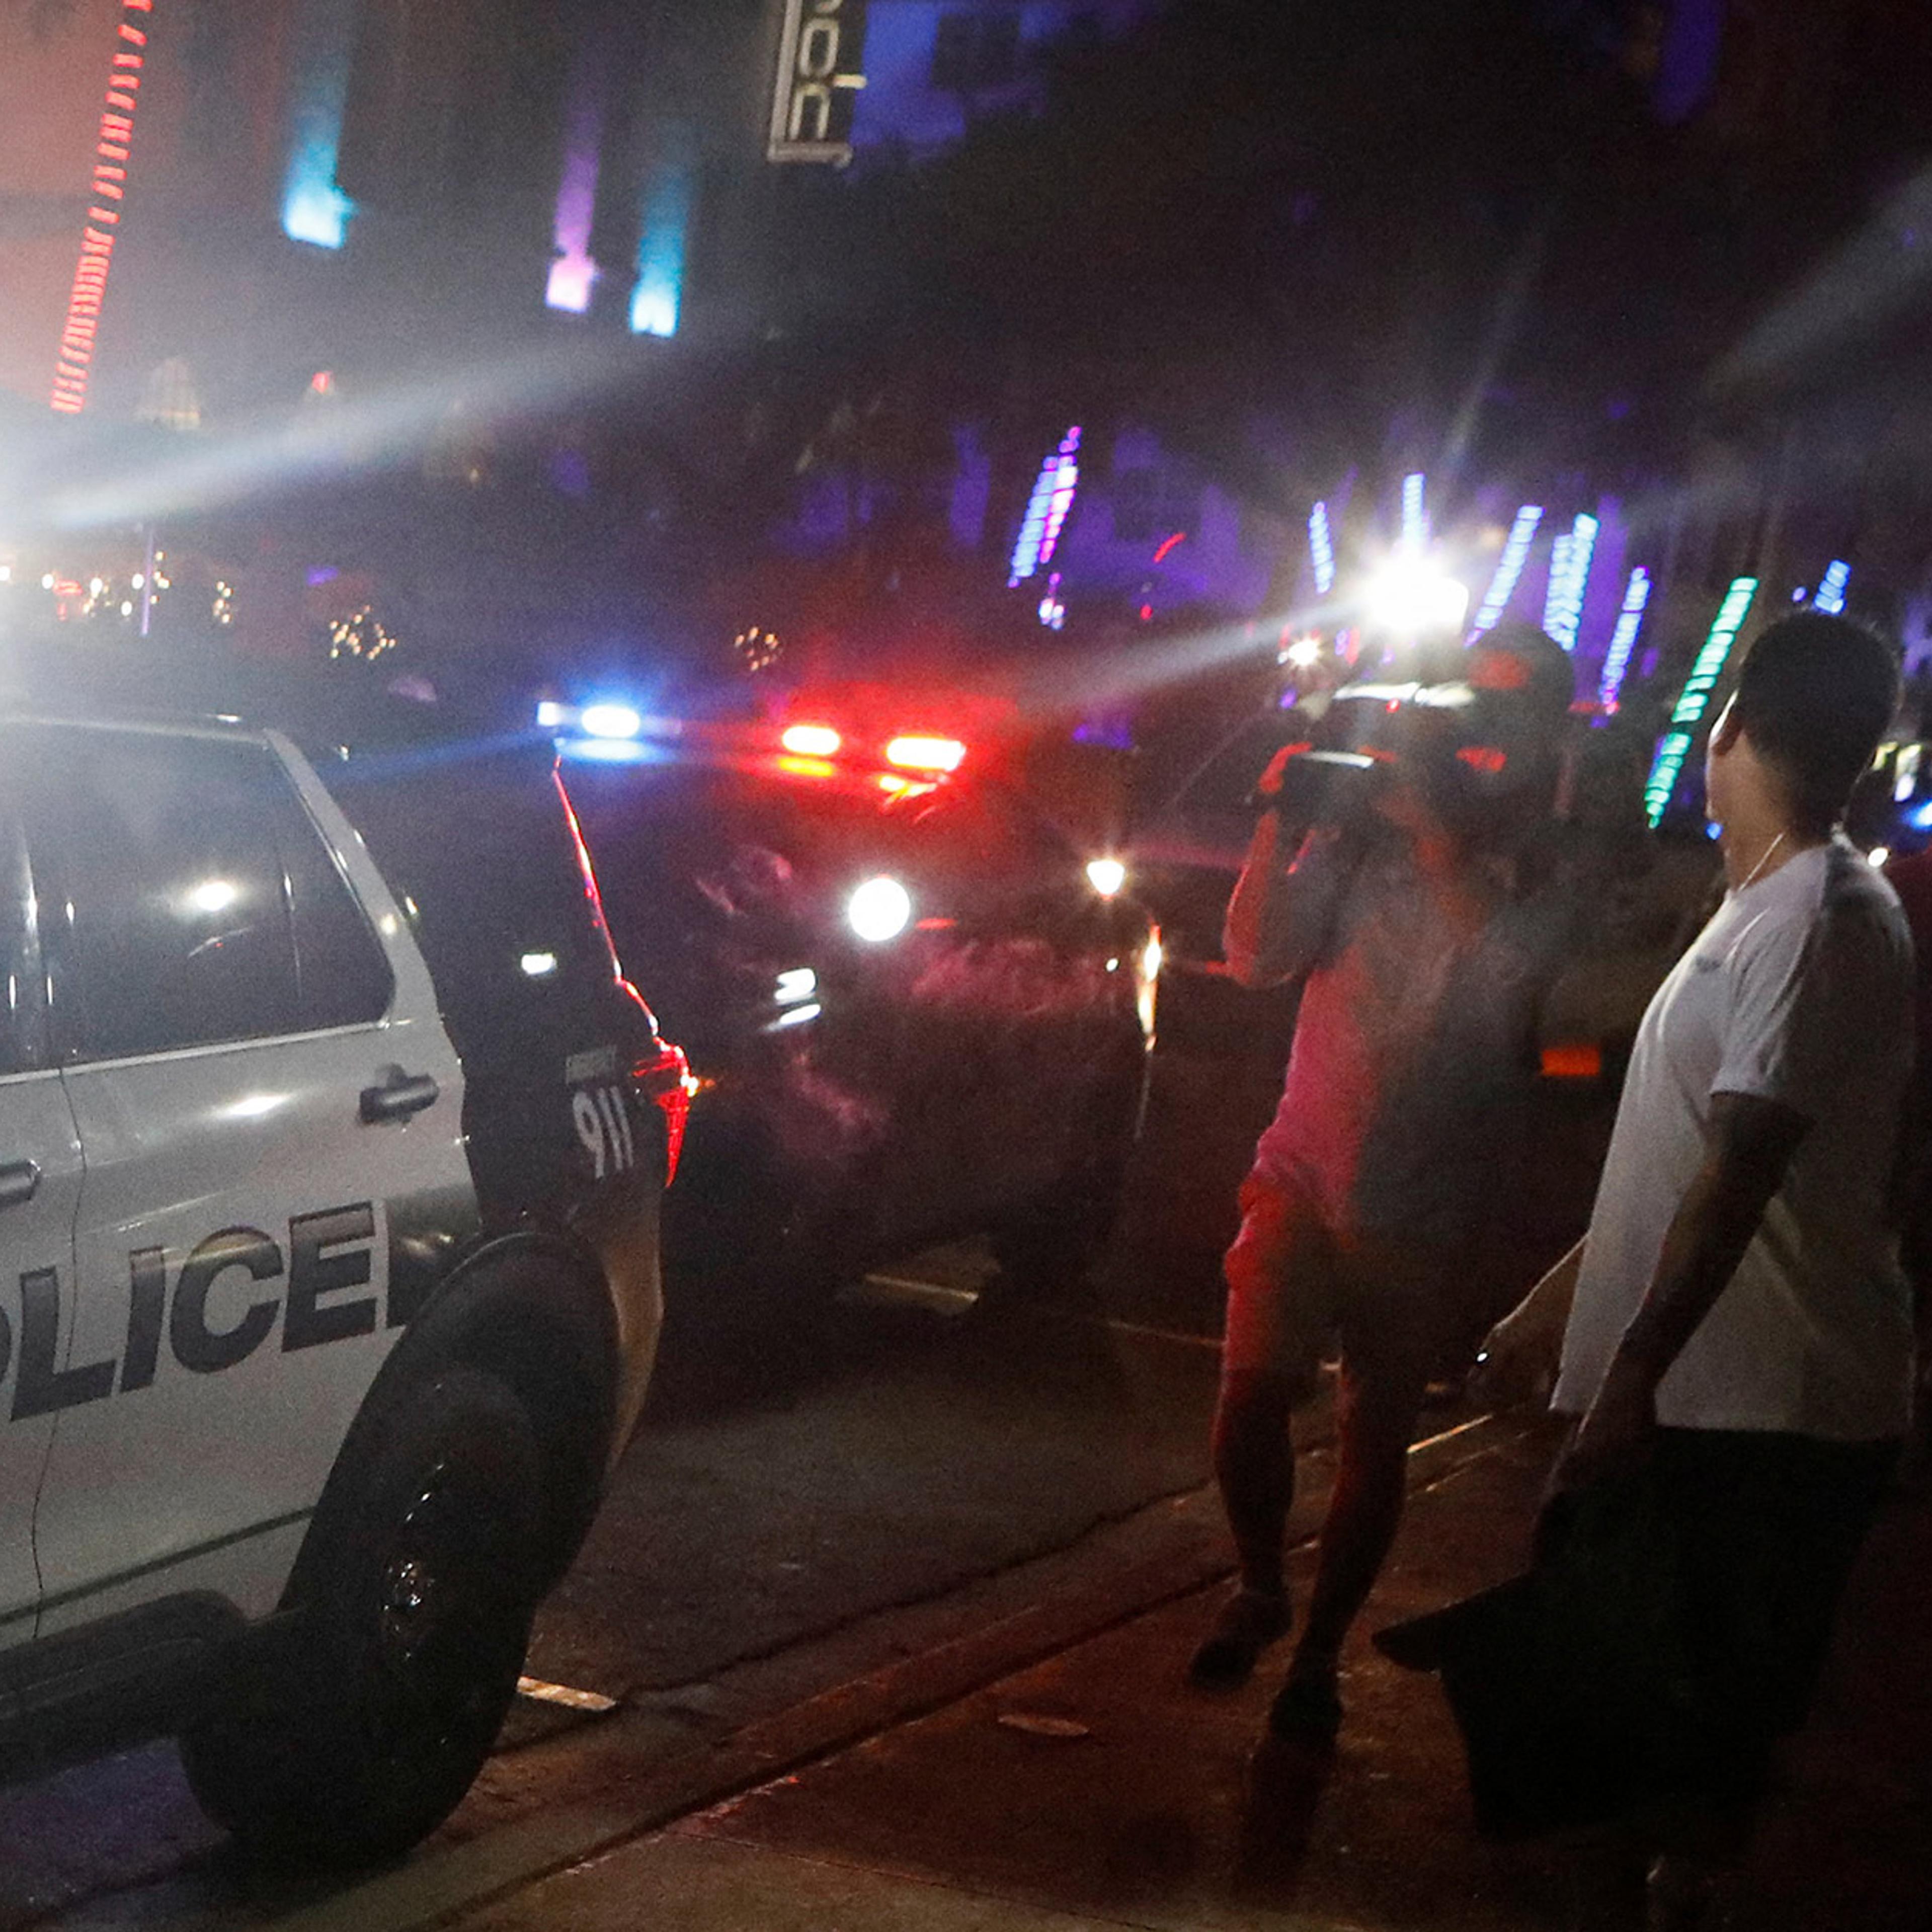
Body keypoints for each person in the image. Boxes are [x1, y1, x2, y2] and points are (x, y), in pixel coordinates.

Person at [1467, 612, 1913, 1903]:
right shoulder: (1772, 908)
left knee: (1669, 1778)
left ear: (1729, 728)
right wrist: (1556, 1306)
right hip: (1713, 1406)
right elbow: (1679, 1163)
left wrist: (1629, 1382)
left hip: (1752, 1421)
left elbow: (1739, 1174)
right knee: (1602, 1764)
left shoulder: (1812, 917)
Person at [1190, 622, 1582, 1744]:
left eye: (1502, 709)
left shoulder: (1547, 856)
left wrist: (1439, 838)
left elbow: (1513, 995)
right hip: (1302, 1167)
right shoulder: (1365, 837)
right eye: (1466, 704)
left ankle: (1318, 1655)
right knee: (1250, 1397)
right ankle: (1260, 1584)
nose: (1472, 732)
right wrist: (1286, 818)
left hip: (1426, 1199)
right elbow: (1257, 958)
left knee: (1376, 1433)